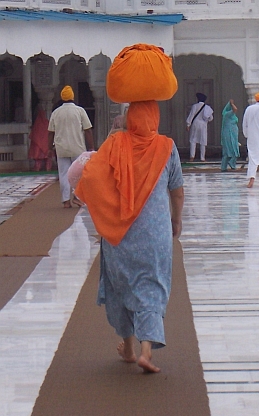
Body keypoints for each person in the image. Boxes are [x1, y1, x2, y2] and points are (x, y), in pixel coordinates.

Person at [75, 43, 184, 374]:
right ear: (155, 118)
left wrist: (100, 208)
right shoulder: (167, 147)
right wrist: (175, 221)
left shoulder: (115, 144)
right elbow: (177, 191)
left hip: (120, 233)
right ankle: (147, 349)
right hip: (155, 233)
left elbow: (90, 176)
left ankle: (127, 344)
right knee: (151, 284)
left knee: (122, 287)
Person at [48, 85, 94, 208]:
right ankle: (77, 198)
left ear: (62, 98)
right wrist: (91, 148)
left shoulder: (56, 113)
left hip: (61, 148)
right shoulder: (79, 111)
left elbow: (50, 132)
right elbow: (88, 130)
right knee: (79, 173)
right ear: (73, 97)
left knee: (63, 174)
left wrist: (48, 148)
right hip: (77, 148)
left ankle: (66, 201)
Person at [186, 92, 213, 162]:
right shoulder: (207, 108)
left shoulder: (195, 106)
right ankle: (202, 158)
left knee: (193, 140)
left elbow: (191, 115)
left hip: (195, 124)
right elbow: (211, 118)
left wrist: (188, 124)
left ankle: (192, 157)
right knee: (203, 141)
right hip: (203, 124)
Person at [29, 106, 53, 171]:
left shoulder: (37, 124)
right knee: (48, 159)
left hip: (38, 146)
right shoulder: (47, 123)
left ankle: (37, 168)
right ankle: (48, 169)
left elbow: (34, 136)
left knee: (38, 160)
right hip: (46, 145)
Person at [221, 99, 240, 171]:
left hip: (232, 134)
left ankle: (224, 167)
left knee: (228, 150)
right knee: (231, 150)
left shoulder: (231, 116)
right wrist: (231, 104)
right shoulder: (227, 114)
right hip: (229, 135)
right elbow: (235, 109)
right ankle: (231, 163)